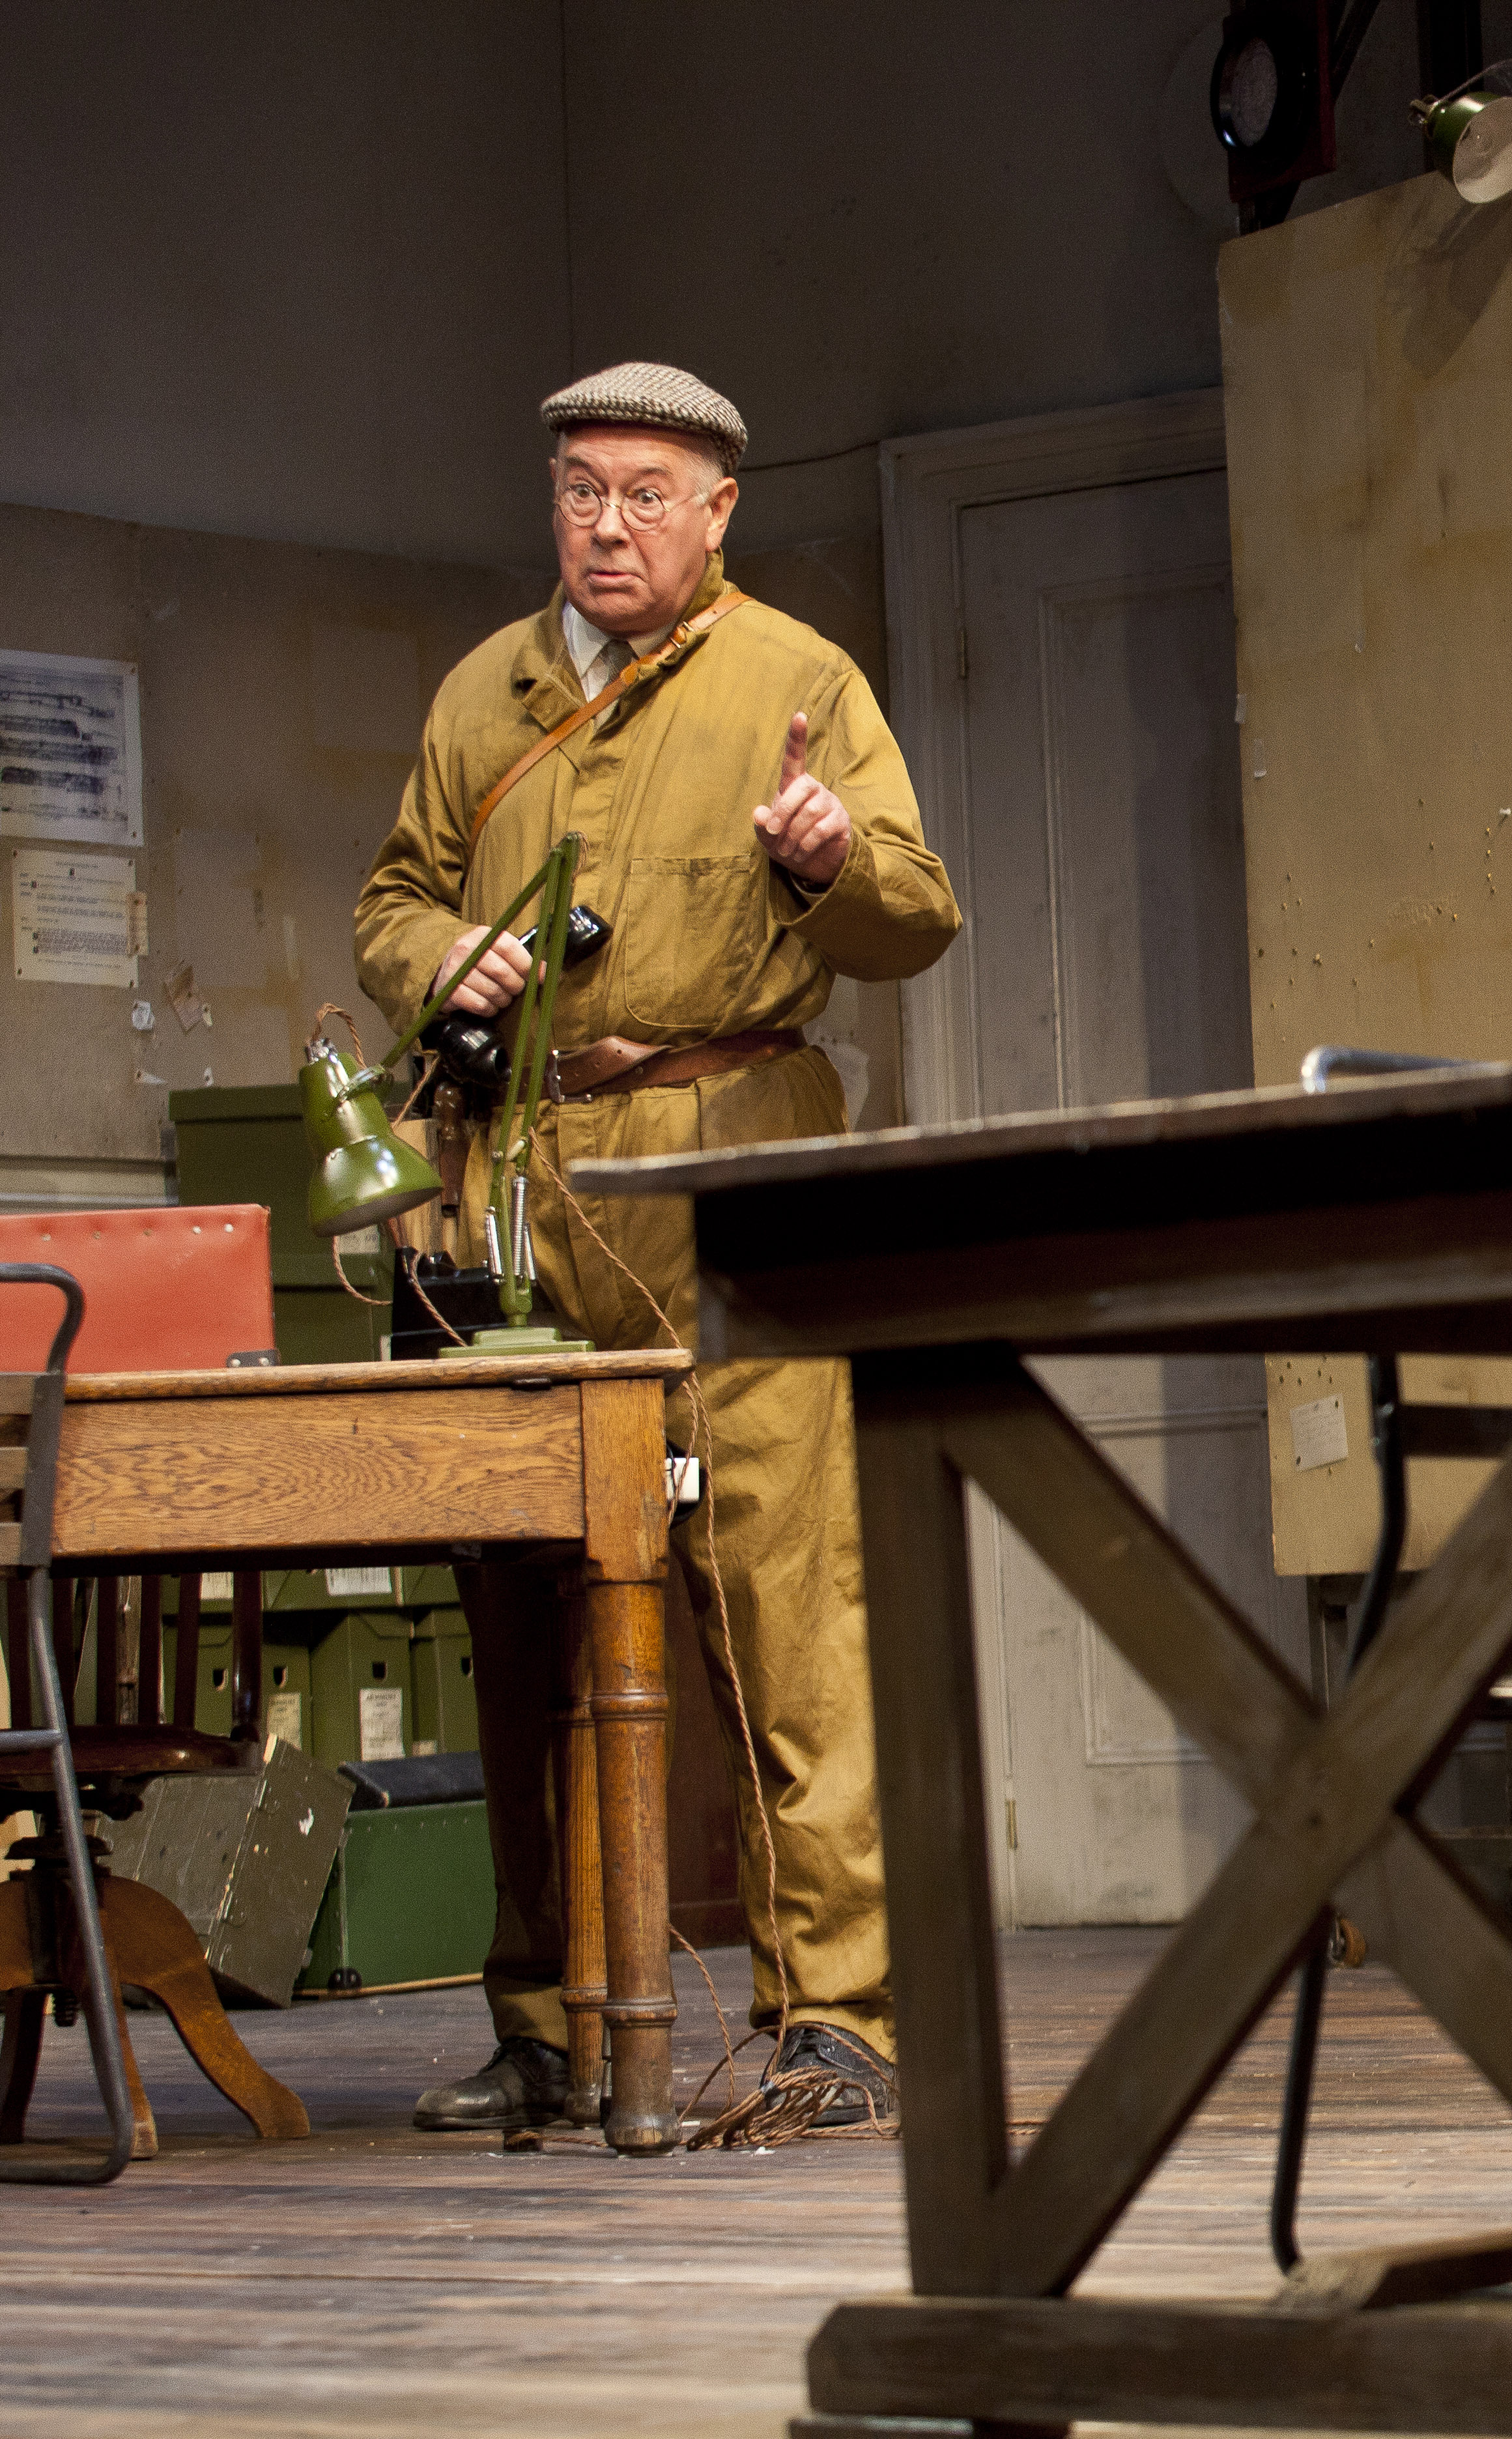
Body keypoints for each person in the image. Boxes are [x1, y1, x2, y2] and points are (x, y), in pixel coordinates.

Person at [352, 364, 960, 2134]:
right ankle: (546, 2014)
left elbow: (914, 916)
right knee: (522, 1603)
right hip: (514, 1183)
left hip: (729, 1169)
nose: (606, 525)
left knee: (783, 1591)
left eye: (644, 493)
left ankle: (833, 2012)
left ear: (716, 514)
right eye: (578, 490)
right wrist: (438, 958)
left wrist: (833, 852)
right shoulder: (488, 691)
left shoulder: (798, 683)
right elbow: (392, 896)